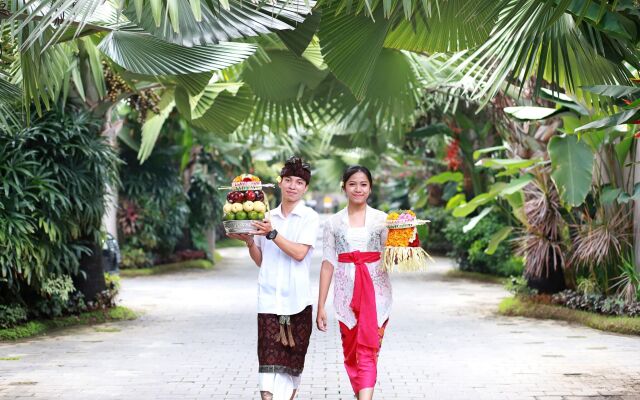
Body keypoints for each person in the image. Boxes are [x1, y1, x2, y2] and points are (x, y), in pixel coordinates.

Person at [227, 156, 320, 400]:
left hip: (298, 301)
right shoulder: (265, 215)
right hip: (269, 300)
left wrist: (272, 233)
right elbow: (261, 260)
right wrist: (249, 242)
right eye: (288, 180)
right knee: (267, 365)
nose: (292, 186)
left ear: (305, 188)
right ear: (279, 183)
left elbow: (300, 253)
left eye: (299, 182)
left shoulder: (309, 218)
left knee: (292, 367)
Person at [316, 165, 391, 400]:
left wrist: (406, 243)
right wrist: (320, 306)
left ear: (370, 188)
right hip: (345, 295)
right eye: (352, 184)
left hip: (377, 295)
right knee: (351, 355)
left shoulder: (383, 220)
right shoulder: (333, 223)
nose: (358, 189)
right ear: (344, 187)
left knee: (368, 352)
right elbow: (328, 263)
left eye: (363, 184)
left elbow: (391, 256)